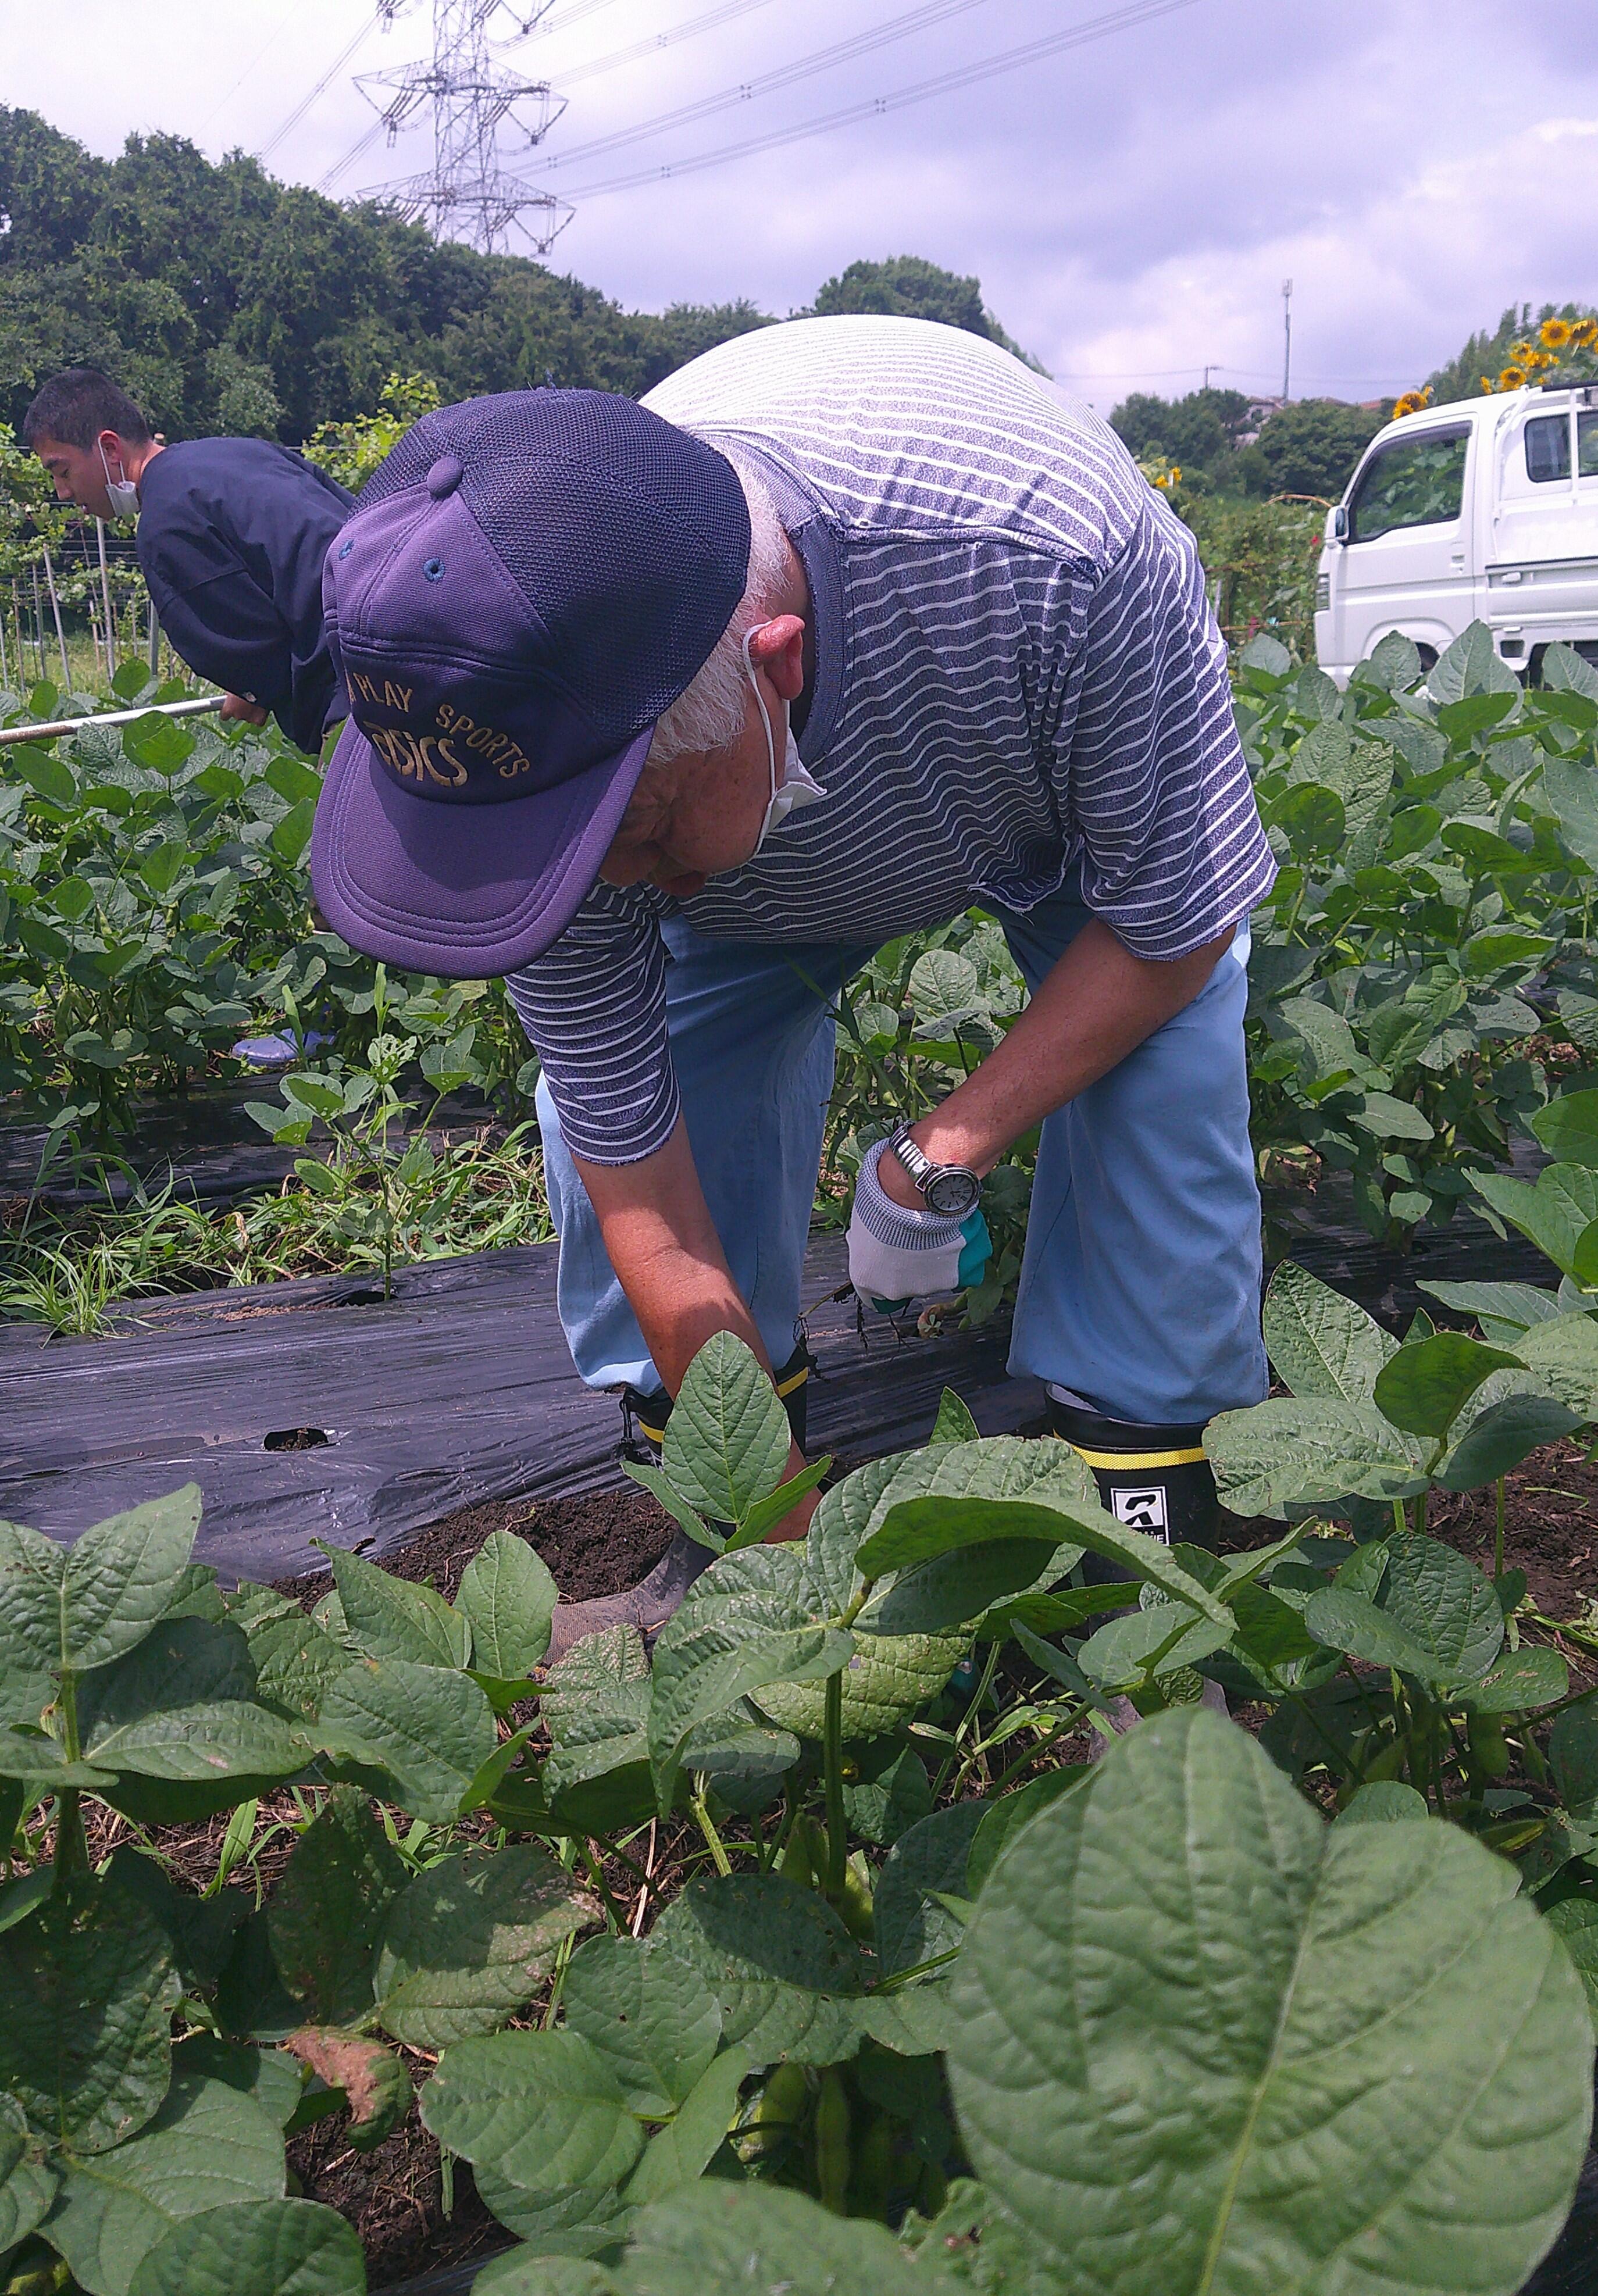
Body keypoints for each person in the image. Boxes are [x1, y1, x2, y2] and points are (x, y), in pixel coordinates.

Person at [308, 317, 1274, 1654]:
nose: (601, 885)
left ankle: (1142, 1569)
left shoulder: (1054, 561)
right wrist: (781, 1580)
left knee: (1156, 1082)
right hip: (749, 830)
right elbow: (640, 1173)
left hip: (1015, 758)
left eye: (628, 836)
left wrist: (929, 1161)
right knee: (650, 1094)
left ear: (774, 670)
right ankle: (709, 1530)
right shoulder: (541, 742)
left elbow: (1164, 926)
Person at [22, 366, 352, 754]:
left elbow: (247, 651)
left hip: (358, 698)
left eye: (62, 471)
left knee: (357, 814)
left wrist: (255, 686)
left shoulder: (166, 522)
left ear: (109, 449)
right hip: (407, 634)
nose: (61, 492)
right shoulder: (241, 451)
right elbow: (348, 514)